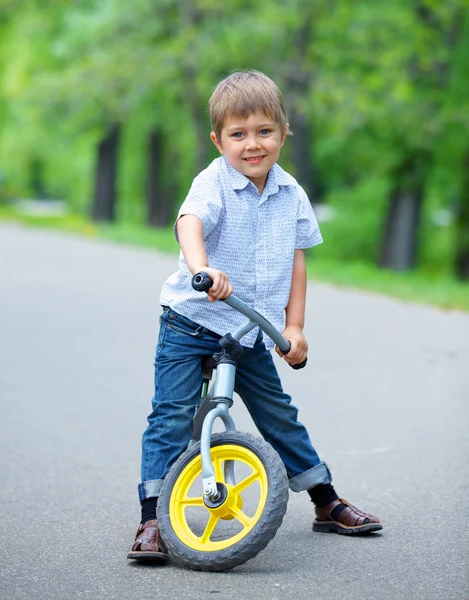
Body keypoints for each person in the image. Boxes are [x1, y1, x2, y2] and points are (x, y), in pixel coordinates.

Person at [127, 70, 382, 564]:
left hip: (250, 330)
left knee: (278, 415)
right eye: (238, 135)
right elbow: (189, 222)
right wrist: (203, 269)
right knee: (172, 415)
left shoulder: (292, 194)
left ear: (284, 132)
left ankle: (325, 501)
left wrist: (294, 327)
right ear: (217, 140)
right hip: (191, 320)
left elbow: (297, 260)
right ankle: (152, 518)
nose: (252, 144)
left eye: (264, 131)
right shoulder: (213, 182)